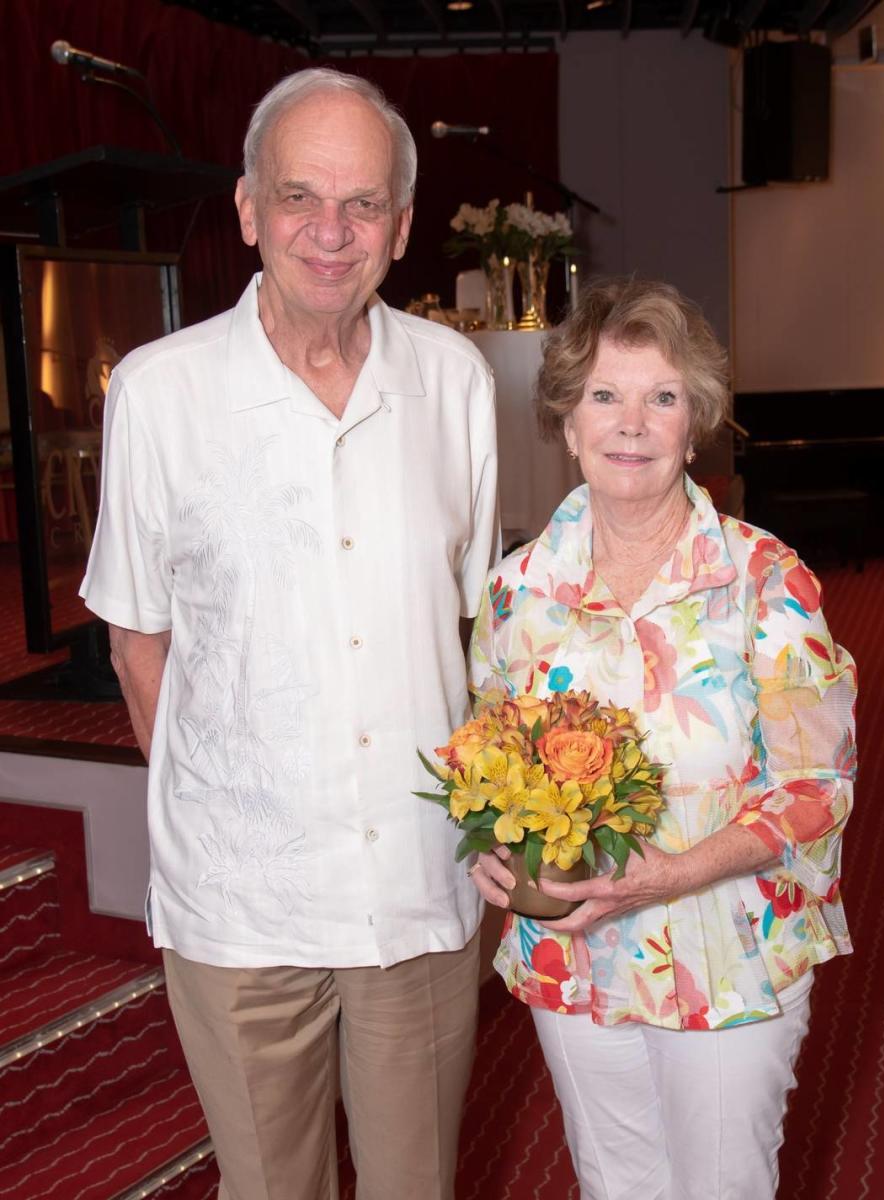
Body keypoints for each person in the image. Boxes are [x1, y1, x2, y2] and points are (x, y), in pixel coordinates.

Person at [81, 68, 499, 1200]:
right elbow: (137, 644)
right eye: (299, 195)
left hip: (417, 896)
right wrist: (227, 819)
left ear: (403, 228)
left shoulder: (455, 383)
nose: (330, 230)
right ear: (247, 208)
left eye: (363, 204)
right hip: (243, 913)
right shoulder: (159, 396)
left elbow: (475, 636)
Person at [468, 277, 856, 1200]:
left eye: (662, 398)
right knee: (615, 1187)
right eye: (605, 395)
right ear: (567, 422)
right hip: (571, 952)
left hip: (727, 954)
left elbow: (817, 785)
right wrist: (488, 849)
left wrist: (668, 874)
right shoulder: (515, 590)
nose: (631, 423)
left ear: (695, 425)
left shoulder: (768, 581)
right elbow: (489, 761)